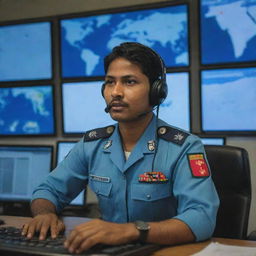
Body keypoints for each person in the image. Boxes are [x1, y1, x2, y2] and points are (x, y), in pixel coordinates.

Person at [22, 42, 219, 254]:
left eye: (130, 82)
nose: (115, 92)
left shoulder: (183, 147)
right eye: (109, 82)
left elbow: (201, 218)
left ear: (156, 91)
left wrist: (132, 231)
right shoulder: (92, 143)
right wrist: (45, 214)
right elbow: (48, 190)